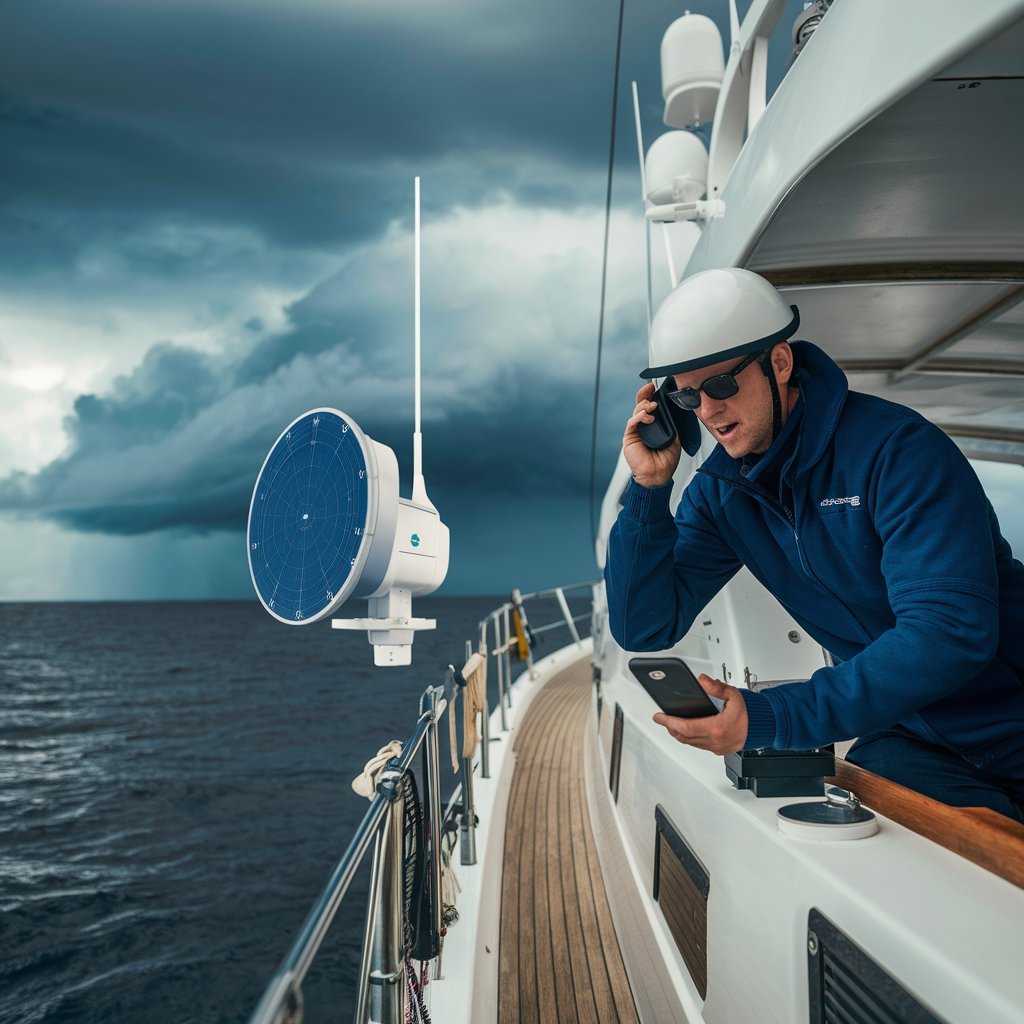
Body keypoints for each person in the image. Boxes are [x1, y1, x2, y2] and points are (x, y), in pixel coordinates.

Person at [605, 267, 1024, 821]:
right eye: (686, 399)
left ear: (779, 363)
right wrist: (649, 489)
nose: (707, 412)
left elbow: (948, 634)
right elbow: (644, 626)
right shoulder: (720, 492)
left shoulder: (897, 451)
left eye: (722, 385)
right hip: (914, 738)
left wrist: (769, 715)